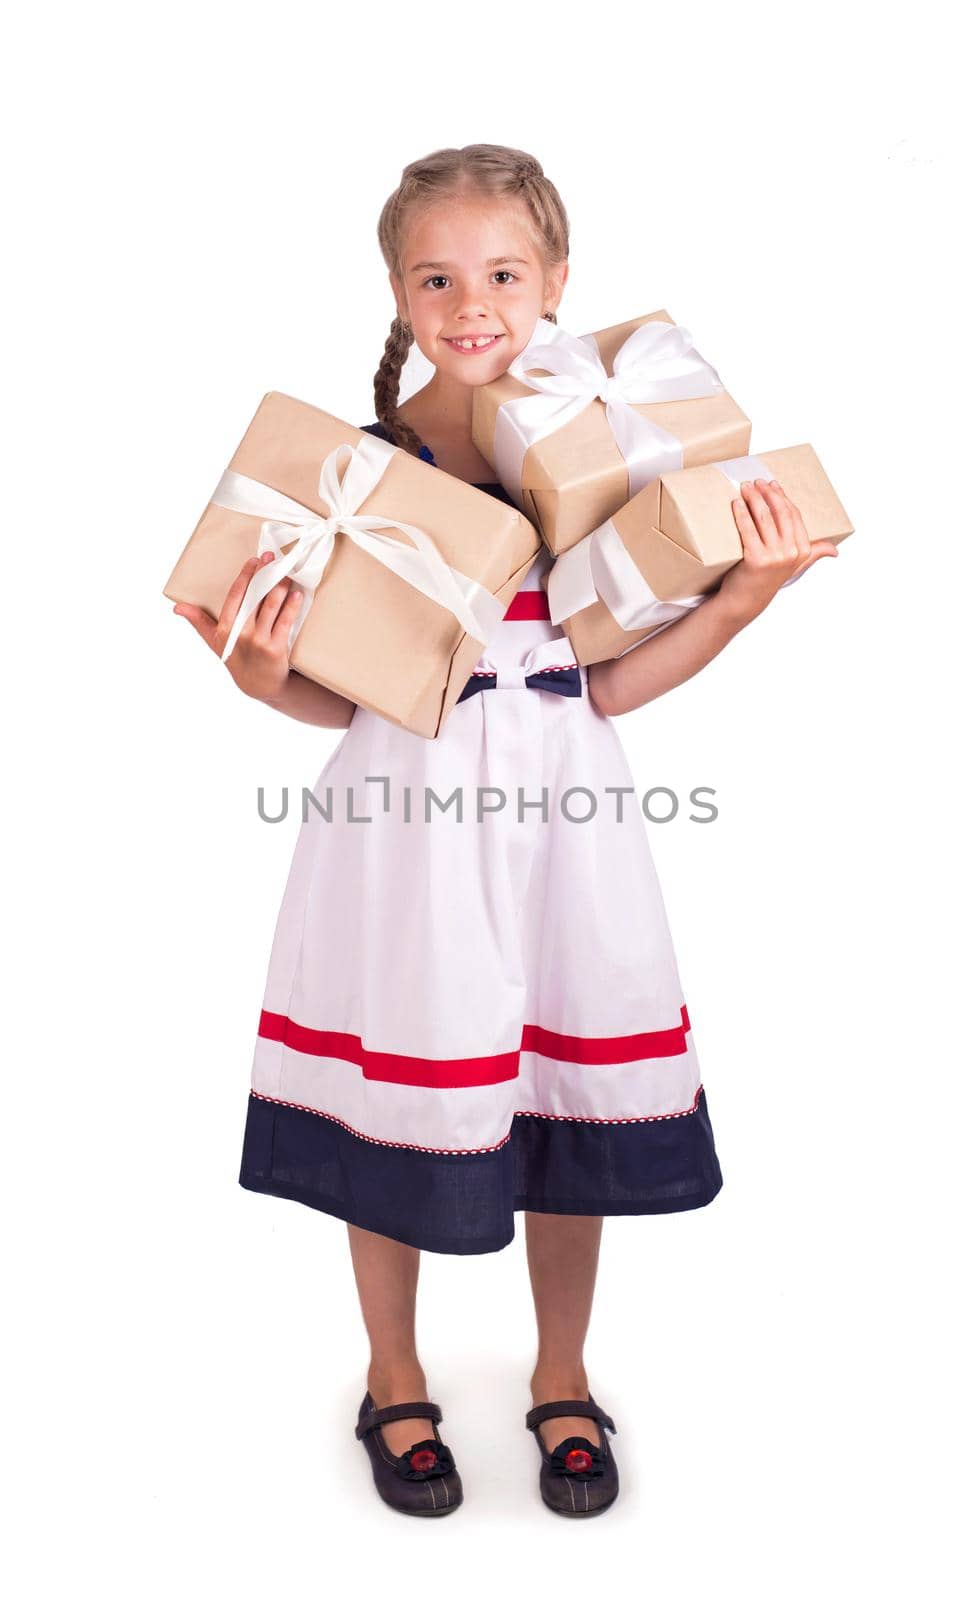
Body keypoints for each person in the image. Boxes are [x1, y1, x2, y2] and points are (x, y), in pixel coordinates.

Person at [173, 143, 838, 1519]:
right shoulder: (360, 472)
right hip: (402, 834)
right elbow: (344, 699)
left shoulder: (600, 462)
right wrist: (254, 669)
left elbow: (606, 686)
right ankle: (395, 1374)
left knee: (566, 1079)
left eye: (502, 274)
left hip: (566, 823)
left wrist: (743, 600)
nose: (470, 304)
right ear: (398, 294)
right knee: (396, 1074)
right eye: (437, 278)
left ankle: (561, 1375)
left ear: (558, 283)